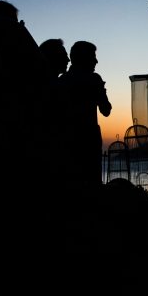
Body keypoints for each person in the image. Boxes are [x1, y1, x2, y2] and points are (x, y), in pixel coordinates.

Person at [57, 40, 112, 189]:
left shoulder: (61, 81)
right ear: (84, 58)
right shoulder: (94, 79)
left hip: (66, 141)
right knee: (92, 185)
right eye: (93, 56)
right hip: (89, 141)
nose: (96, 60)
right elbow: (106, 110)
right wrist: (101, 91)